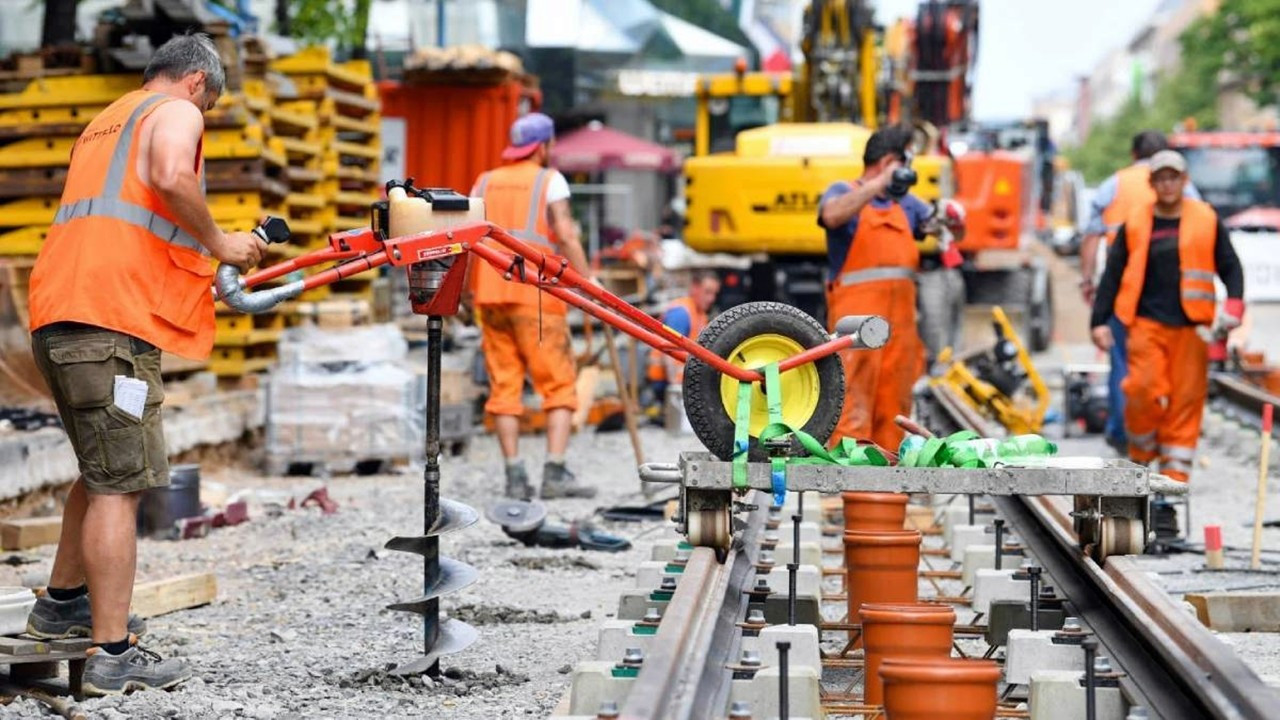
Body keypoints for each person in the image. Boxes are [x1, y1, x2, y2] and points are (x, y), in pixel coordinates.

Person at [25, 34, 266, 695]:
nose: (204, 118)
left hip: (60, 312)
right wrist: (220, 242)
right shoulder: (177, 111)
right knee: (120, 487)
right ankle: (110, 655)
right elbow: (170, 177)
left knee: (101, 471)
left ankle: (61, 605)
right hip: (110, 320)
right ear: (195, 83)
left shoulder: (106, 121)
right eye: (210, 106)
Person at [1090, 150, 1243, 483]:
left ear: (1184, 181)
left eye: (1174, 177)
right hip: (1146, 324)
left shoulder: (1205, 218)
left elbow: (1230, 266)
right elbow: (1112, 275)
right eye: (1161, 178)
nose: (1168, 184)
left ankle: (1171, 487)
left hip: (1192, 329)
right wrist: (1099, 321)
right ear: (1152, 183)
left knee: (1185, 403)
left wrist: (1233, 308)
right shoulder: (1136, 222)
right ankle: (1142, 459)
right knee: (1141, 390)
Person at [470, 113, 595, 500]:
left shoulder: (484, 181)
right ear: (543, 146)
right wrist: (588, 283)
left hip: (489, 295)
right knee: (557, 384)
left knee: (504, 386)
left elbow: (468, 236)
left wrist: (464, 293)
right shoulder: (549, 179)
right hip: (534, 294)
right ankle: (554, 473)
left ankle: (514, 476)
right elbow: (567, 233)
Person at [1079, 130, 1200, 454]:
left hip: (1124, 291)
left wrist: (1088, 280)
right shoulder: (1185, 186)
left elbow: (1092, 235)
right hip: (1175, 293)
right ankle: (1161, 435)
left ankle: (1123, 435)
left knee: (1124, 365)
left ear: (1133, 155)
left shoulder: (1113, 185)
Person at [818, 125, 928, 451]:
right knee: (851, 397)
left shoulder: (906, 205)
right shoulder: (843, 191)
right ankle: (845, 484)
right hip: (857, 326)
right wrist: (878, 185)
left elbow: (935, 223)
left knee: (894, 401)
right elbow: (831, 214)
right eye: (906, 161)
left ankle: (886, 487)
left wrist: (952, 220)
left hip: (900, 327)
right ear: (889, 161)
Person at [646, 270, 720, 400]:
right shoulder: (681, 313)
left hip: (683, 384)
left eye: (714, 294)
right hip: (666, 385)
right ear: (694, 288)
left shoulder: (700, 315)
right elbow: (669, 350)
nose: (711, 298)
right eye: (707, 292)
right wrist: (675, 389)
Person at [915, 198, 967, 367]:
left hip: (948, 271)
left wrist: (954, 221)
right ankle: (936, 365)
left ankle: (952, 364)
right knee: (933, 328)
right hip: (928, 272)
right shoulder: (912, 206)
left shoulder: (935, 207)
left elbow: (959, 235)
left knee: (954, 324)